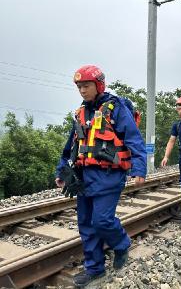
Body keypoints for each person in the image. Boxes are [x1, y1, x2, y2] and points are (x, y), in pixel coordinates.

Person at [55, 65, 147, 287]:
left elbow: (134, 138)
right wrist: (61, 170)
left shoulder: (116, 108)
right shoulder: (80, 112)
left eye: (86, 86)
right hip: (84, 177)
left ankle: (122, 243)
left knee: (102, 221)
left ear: (99, 85)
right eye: (79, 87)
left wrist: (139, 168)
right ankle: (95, 269)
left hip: (109, 175)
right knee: (86, 223)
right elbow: (71, 146)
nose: (82, 91)